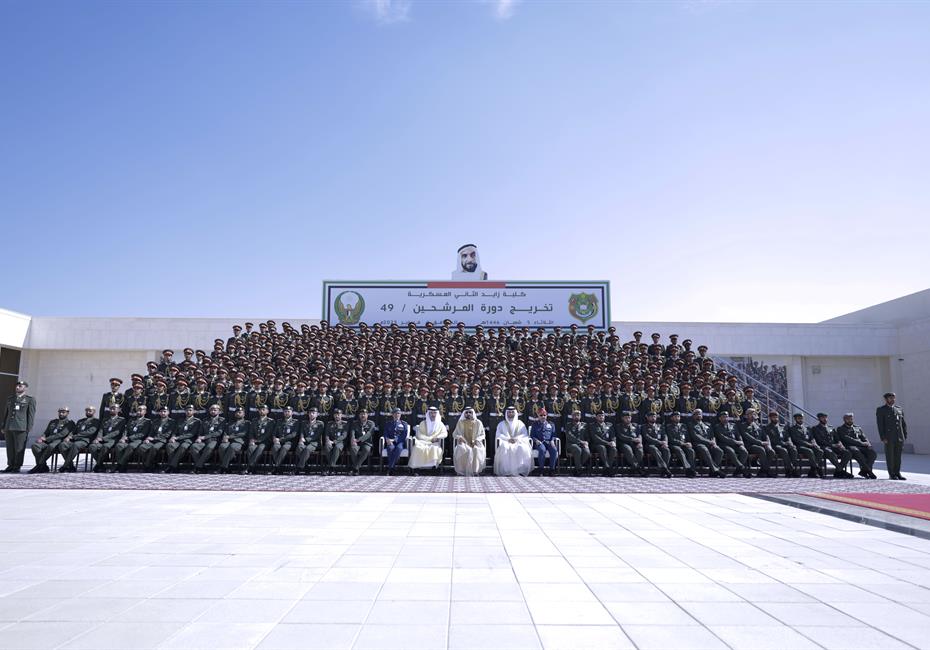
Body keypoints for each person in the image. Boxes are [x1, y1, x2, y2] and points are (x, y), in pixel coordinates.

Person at [2, 380, 36, 473]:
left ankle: (17, 466)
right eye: (17, 386)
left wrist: (29, 427)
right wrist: (3, 426)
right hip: (9, 426)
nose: (17, 387)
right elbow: (6, 413)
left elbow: (31, 414)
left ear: (25, 388)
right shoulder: (11, 398)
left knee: (19, 448)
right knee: (10, 447)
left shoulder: (30, 399)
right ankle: (10, 465)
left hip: (21, 427)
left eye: (20, 386)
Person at [29, 407, 75, 474]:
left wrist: (46, 439)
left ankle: (39, 465)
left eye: (63, 412)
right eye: (60, 412)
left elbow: (62, 434)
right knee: (35, 446)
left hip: (58, 441)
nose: (61, 414)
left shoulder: (70, 423)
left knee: (51, 446)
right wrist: (42, 437)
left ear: (67, 413)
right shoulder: (53, 422)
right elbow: (46, 432)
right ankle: (43, 466)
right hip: (48, 440)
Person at [810, 413, 853, 478]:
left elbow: (837, 438)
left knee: (847, 453)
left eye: (826, 417)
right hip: (824, 447)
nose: (825, 419)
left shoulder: (831, 427)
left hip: (834, 446)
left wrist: (840, 444)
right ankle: (841, 471)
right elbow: (820, 440)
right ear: (819, 419)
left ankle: (838, 471)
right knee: (830, 452)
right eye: (823, 418)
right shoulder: (815, 428)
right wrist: (833, 445)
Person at [876, 392, 908, 480]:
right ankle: (892, 474)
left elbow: (903, 424)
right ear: (886, 399)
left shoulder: (899, 409)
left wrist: (904, 435)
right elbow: (880, 425)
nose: (893, 400)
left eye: (894, 398)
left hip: (899, 436)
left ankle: (897, 472)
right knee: (890, 456)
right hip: (889, 437)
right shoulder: (881, 410)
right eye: (890, 398)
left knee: (898, 456)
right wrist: (883, 437)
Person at [836, 413, 878, 479]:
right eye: (848, 419)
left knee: (872, 453)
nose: (850, 420)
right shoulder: (840, 429)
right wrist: (862, 443)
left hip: (861, 446)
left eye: (851, 419)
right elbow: (848, 439)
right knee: (857, 452)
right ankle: (869, 471)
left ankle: (864, 471)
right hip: (850, 446)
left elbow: (864, 437)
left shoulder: (857, 427)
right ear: (844, 420)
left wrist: (868, 444)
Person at [58, 406, 99, 472]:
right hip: (75, 439)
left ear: (94, 412)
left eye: (90, 411)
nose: (88, 412)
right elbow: (74, 431)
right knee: (62, 445)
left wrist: (74, 437)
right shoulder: (80, 421)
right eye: (87, 411)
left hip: (85, 440)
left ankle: (65, 466)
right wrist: (69, 436)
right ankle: (71, 466)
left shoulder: (96, 421)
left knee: (75, 445)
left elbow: (90, 432)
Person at [494, 406, 532, 476]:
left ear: (515, 413)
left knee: (522, 448)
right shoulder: (501, 424)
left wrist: (516, 439)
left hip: (518, 441)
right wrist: (508, 439)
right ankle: (506, 471)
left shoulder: (520, 423)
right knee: (505, 448)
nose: (510, 414)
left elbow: (525, 434)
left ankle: (520, 470)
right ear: (506, 413)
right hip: (506, 441)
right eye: (509, 412)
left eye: (512, 412)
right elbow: (498, 435)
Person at [410, 406, 448, 472]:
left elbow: (445, 433)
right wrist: (429, 439)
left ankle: (434, 468)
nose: (433, 415)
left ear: (437, 414)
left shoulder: (440, 424)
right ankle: (417, 468)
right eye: (431, 413)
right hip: (423, 442)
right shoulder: (422, 423)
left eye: (434, 413)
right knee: (417, 448)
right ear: (428, 414)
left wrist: (437, 437)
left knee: (435, 449)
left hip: (435, 442)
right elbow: (419, 435)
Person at [165, 405, 200, 473]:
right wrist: (172, 437)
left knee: (183, 446)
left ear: (194, 411)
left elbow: (192, 434)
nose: (188, 412)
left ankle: (172, 466)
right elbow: (175, 431)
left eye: (190, 410)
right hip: (178, 440)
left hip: (188, 440)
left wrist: (177, 437)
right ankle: (175, 465)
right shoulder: (180, 420)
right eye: (187, 410)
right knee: (169, 445)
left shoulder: (197, 421)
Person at [89, 405, 124, 472]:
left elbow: (116, 432)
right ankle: (101, 464)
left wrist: (103, 438)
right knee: (92, 446)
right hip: (102, 439)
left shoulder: (121, 420)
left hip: (113, 440)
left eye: (114, 409)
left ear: (118, 410)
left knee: (105, 446)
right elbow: (101, 430)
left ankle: (98, 465)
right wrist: (98, 438)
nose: (112, 410)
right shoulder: (105, 420)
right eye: (111, 409)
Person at [453, 407, 486, 476]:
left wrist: (477, 440)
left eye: (470, 412)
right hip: (464, 443)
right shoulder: (460, 422)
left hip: (476, 443)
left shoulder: (478, 422)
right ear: (464, 414)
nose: (468, 414)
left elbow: (483, 435)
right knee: (461, 449)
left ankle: (475, 471)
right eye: (466, 412)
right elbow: (454, 434)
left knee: (476, 449)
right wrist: (459, 437)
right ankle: (462, 471)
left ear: (473, 413)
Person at [529, 408, 558, 475]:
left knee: (554, 450)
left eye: (544, 415)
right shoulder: (535, 424)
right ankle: (541, 469)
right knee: (542, 450)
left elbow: (554, 434)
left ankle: (552, 469)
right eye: (541, 415)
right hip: (540, 442)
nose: (543, 417)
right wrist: (536, 440)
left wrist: (552, 440)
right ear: (538, 416)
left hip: (549, 442)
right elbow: (532, 435)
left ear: (546, 416)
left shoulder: (551, 424)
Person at [296, 407, 324, 473]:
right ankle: (306, 467)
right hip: (304, 442)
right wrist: (301, 439)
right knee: (299, 448)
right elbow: (302, 432)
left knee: (307, 449)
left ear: (317, 414)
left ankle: (299, 467)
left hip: (315, 443)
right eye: (310, 413)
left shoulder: (320, 424)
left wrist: (305, 439)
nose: (311, 414)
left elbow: (316, 435)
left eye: (313, 413)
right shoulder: (304, 423)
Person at [381, 407, 408, 475]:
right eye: (395, 413)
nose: (397, 415)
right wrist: (387, 439)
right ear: (392, 415)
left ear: (400, 415)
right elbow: (385, 433)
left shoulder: (404, 424)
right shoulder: (388, 423)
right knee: (390, 448)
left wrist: (394, 440)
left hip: (399, 442)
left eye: (398, 413)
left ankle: (390, 468)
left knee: (399, 448)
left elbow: (404, 435)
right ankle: (392, 468)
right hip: (390, 442)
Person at [347, 410, 375, 475]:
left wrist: (359, 439)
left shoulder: (371, 423)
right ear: (359, 415)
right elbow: (352, 433)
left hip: (366, 442)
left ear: (367, 415)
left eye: (364, 414)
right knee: (353, 448)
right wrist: (353, 439)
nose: (363, 415)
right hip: (356, 442)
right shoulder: (355, 423)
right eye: (361, 414)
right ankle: (356, 469)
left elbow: (368, 434)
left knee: (367, 449)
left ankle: (355, 468)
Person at [564, 409, 591, 475]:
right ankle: (579, 470)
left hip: (582, 444)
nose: (576, 416)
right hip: (571, 444)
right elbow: (570, 436)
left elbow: (587, 436)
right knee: (577, 449)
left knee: (587, 452)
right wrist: (581, 441)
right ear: (572, 416)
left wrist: (587, 442)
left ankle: (577, 468)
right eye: (575, 415)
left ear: (580, 416)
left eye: (578, 415)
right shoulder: (568, 425)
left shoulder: (584, 425)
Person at [323, 409, 349, 474]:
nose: (337, 416)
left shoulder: (345, 424)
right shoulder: (329, 424)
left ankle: (331, 467)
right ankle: (333, 468)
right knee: (327, 446)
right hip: (330, 441)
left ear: (341, 415)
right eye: (335, 415)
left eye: (338, 414)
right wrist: (328, 441)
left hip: (340, 442)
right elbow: (327, 434)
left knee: (337, 447)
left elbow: (344, 436)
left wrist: (334, 441)